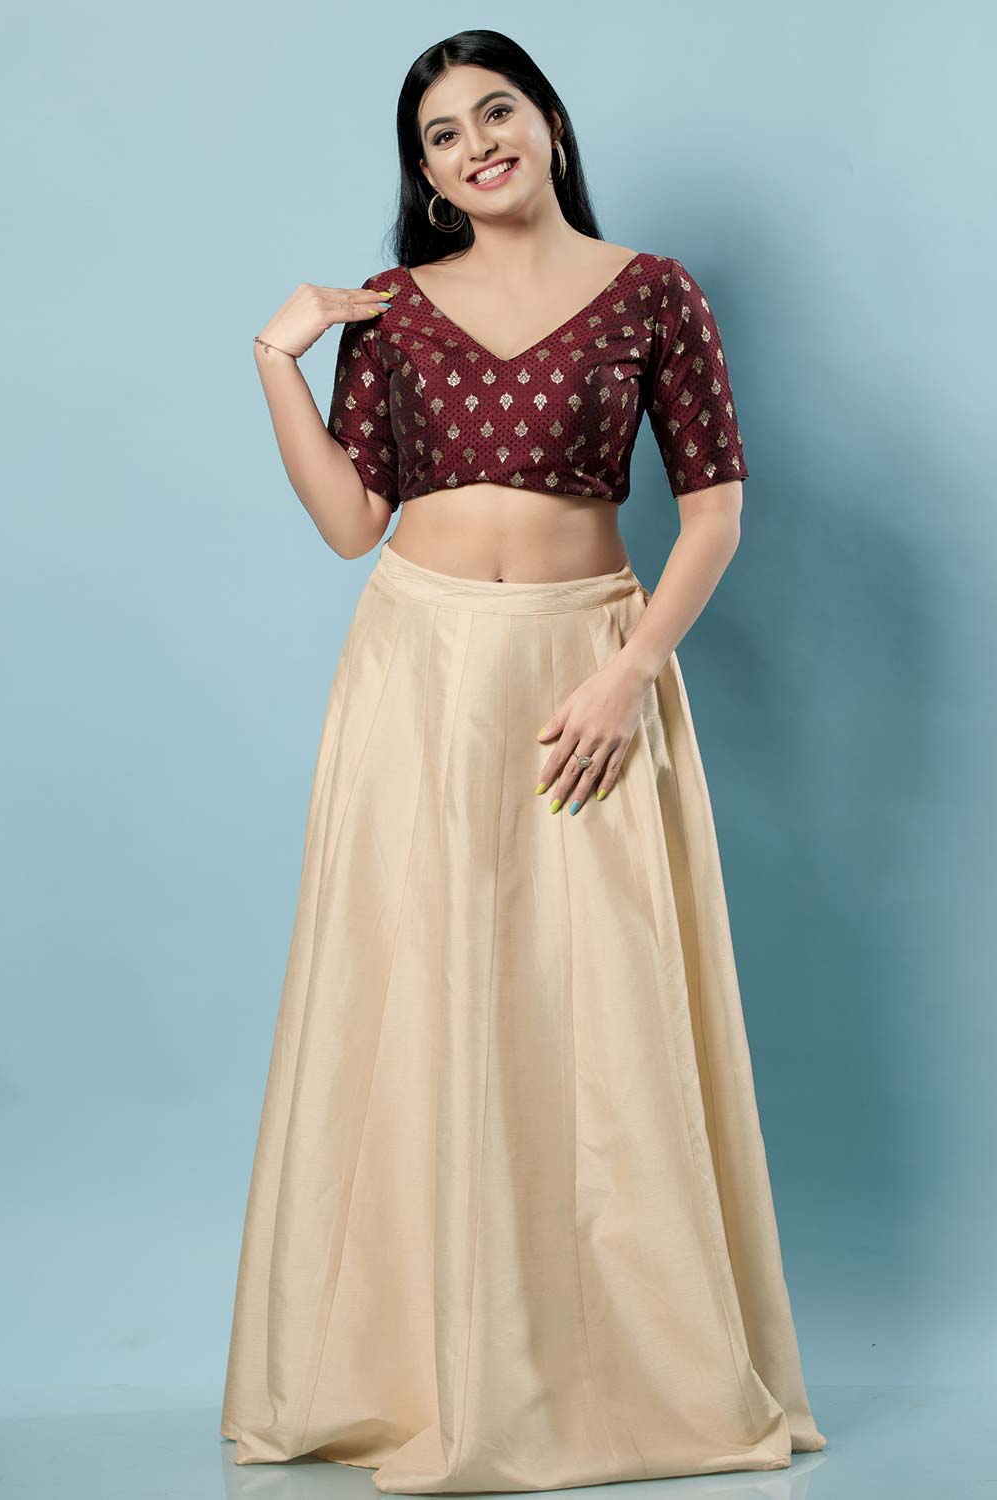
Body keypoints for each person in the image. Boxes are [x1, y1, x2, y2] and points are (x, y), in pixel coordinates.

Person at [220, 27, 827, 1494]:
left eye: (496, 111)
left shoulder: (653, 293)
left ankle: (618, 1370)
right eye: (442, 134)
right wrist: (276, 361)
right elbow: (351, 526)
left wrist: (629, 673)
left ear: (548, 120)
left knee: (602, 1014)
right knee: (413, 997)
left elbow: (716, 510)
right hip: (416, 673)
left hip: (585, 672)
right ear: (425, 174)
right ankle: (413, 1369)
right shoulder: (392, 313)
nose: (476, 144)